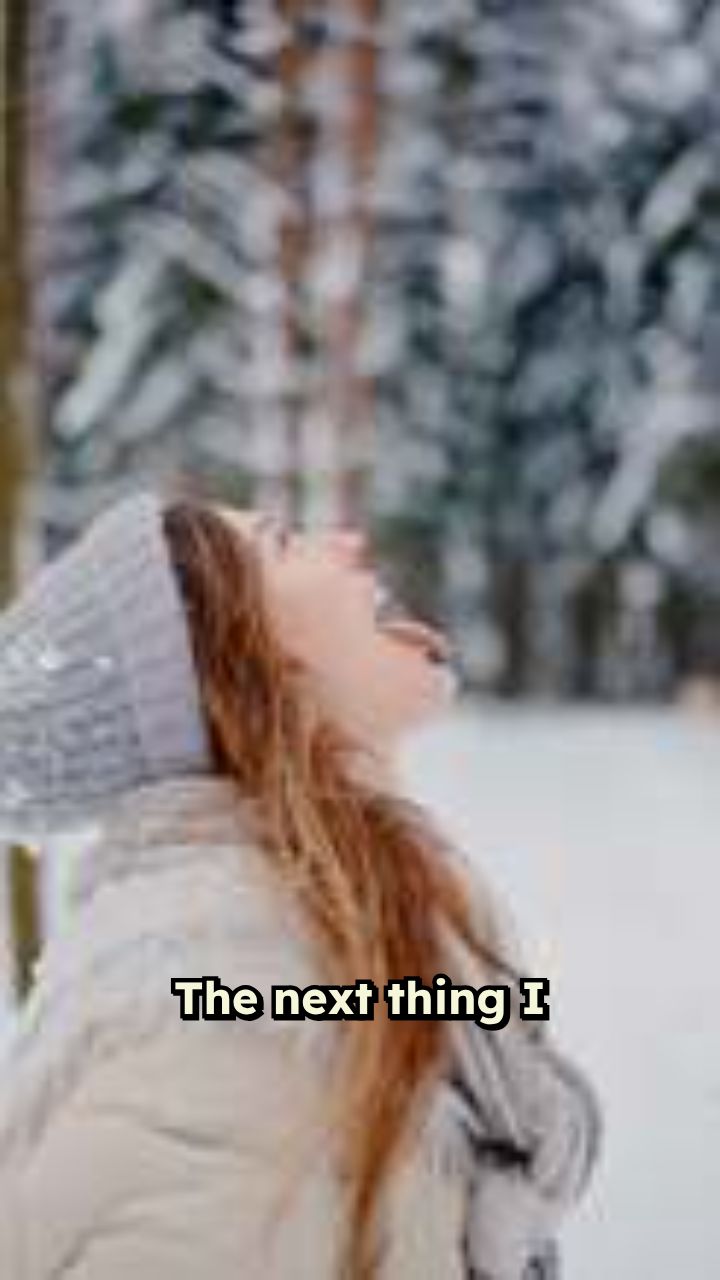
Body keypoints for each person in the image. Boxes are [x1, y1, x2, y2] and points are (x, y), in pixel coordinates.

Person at [0, 489, 603, 1280]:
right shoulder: (221, 1054)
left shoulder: (315, 962)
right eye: (283, 542)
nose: (347, 540)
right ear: (234, 672)